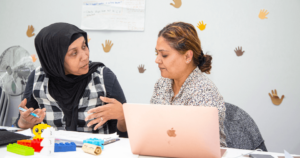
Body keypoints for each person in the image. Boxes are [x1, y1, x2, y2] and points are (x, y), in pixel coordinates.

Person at [14, 23, 127, 136]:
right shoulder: (37, 78)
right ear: (55, 58)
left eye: (84, 46)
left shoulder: (103, 76)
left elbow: (128, 134)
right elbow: (23, 128)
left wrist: (122, 115)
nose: (85, 56)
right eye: (74, 53)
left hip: (96, 151)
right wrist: (24, 122)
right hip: (50, 151)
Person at [150, 22, 227, 147]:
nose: (157, 60)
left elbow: (203, 145)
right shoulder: (161, 84)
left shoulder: (205, 92)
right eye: (156, 53)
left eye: (164, 55)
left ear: (187, 56)